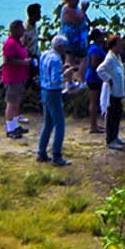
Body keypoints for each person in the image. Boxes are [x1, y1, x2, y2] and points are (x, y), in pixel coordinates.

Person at [35, 38, 70, 166]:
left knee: (47, 123)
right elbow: (55, 79)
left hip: (44, 90)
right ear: (60, 46)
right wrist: (66, 73)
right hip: (53, 92)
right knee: (59, 125)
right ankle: (57, 155)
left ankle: (41, 152)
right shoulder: (56, 59)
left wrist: (61, 70)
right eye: (64, 46)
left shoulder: (45, 55)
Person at [0, 18, 32, 139]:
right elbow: (7, 60)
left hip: (19, 76)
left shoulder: (17, 42)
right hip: (12, 77)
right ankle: (9, 129)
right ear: (15, 30)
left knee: (16, 102)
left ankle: (14, 125)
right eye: (21, 29)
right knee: (11, 103)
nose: (23, 30)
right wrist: (23, 62)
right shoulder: (10, 43)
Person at [96, 35, 125, 149]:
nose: (121, 46)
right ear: (114, 45)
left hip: (118, 91)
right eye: (119, 44)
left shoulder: (117, 57)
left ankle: (115, 136)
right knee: (112, 116)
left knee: (117, 114)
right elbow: (100, 70)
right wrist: (108, 79)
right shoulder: (109, 58)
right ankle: (110, 139)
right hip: (112, 92)